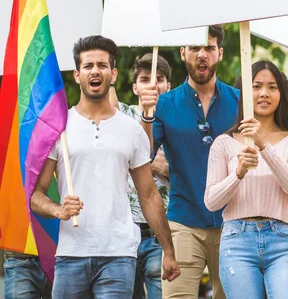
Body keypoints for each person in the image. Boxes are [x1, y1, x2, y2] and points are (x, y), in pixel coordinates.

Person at [30, 35, 180, 298]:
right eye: (88, 66)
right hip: (70, 254)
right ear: (77, 75)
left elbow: (148, 195)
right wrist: (59, 209)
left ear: (113, 74)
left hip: (118, 256)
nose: (95, 70)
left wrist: (168, 251)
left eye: (102, 65)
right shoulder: (59, 128)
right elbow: (36, 197)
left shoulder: (131, 130)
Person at [143, 25, 239, 299]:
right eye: (195, 47)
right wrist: (147, 116)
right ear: (183, 52)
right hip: (183, 224)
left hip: (232, 225)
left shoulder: (240, 102)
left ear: (219, 53)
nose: (202, 55)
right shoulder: (164, 104)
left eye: (209, 48)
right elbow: (143, 157)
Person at [205, 60, 288, 298]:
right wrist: (238, 173)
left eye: (272, 87)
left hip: (283, 238)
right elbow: (211, 202)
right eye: (256, 86)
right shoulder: (224, 143)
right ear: (244, 93)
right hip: (237, 240)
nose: (264, 93)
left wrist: (263, 144)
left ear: (281, 94)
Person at [118, 53, 172, 299]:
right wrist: (146, 163)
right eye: (144, 79)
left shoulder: (176, 119)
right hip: (124, 231)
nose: (152, 84)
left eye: (159, 79)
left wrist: (164, 168)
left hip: (160, 233)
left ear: (168, 86)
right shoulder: (121, 116)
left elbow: (191, 170)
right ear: (134, 87)